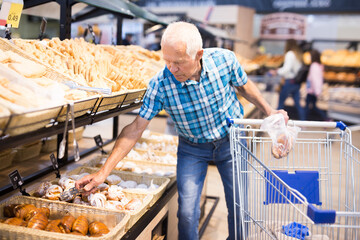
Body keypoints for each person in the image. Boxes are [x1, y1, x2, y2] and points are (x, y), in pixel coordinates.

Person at [76, 21, 288, 240]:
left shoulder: (224, 61)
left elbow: (244, 85)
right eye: (166, 60)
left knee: (240, 207)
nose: (171, 68)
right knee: (186, 213)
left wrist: (269, 110)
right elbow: (135, 128)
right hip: (192, 148)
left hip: (231, 142)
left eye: (178, 62)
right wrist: (103, 173)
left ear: (198, 55)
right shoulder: (160, 85)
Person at [270, 39, 304, 120]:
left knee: (281, 102)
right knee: (298, 104)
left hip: (289, 82)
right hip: (296, 82)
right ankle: (304, 122)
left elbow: (286, 69)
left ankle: (276, 121)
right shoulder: (297, 55)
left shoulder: (289, 54)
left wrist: (276, 72)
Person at [304, 49, 327, 120]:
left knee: (307, 107)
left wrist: (317, 91)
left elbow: (315, 79)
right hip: (313, 90)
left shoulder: (314, 66)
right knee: (313, 106)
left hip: (312, 90)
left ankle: (304, 121)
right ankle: (326, 119)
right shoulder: (319, 66)